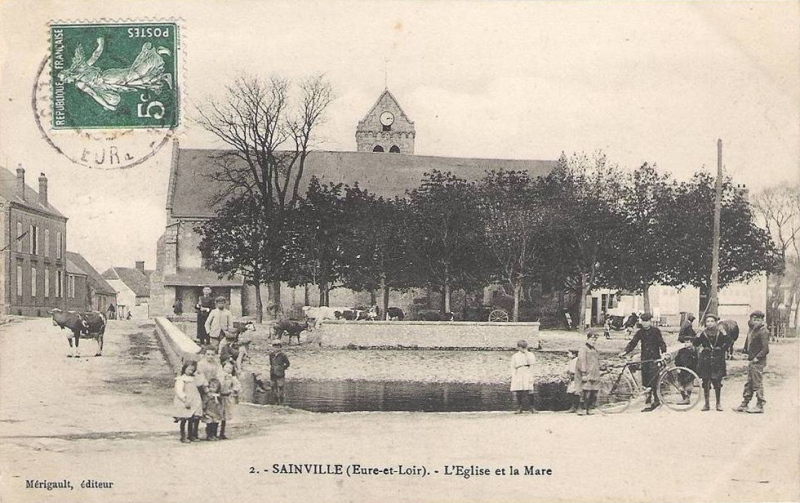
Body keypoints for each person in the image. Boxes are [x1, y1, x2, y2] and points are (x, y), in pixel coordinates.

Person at [618, 312, 667, 412]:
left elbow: (661, 342)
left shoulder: (656, 331)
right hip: (644, 358)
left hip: (654, 358)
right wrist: (625, 351)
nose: (645, 323)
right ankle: (648, 398)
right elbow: (633, 343)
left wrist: (664, 352)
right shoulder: (640, 332)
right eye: (643, 321)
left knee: (654, 379)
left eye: (646, 321)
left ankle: (656, 401)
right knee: (646, 379)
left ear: (650, 321)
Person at [692, 313, 733, 412]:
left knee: (717, 382)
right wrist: (697, 336)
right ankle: (706, 404)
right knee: (705, 382)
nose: (710, 323)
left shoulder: (720, 332)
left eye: (712, 321)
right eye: (708, 321)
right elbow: (696, 344)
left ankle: (718, 403)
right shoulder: (703, 333)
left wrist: (722, 344)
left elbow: (729, 343)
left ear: (716, 322)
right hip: (705, 359)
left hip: (717, 360)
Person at [734, 311, 770, 414]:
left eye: (759, 319)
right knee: (749, 382)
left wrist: (757, 358)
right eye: (755, 319)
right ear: (751, 319)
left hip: (758, 361)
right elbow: (748, 342)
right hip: (751, 359)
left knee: (757, 383)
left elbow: (765, 349)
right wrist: (745, 352)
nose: (757, 321)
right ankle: (744, 403)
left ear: (762, 320)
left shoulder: (763, 331)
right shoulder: (752, 330)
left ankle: (760, 405)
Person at [173, 361, 203, 443]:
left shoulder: (194, 378)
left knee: (193, 418)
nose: (190, 371)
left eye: (192, 370)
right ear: (184, 368)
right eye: (189, 369)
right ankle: (183, 436)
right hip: (186, 400)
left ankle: (192, 435)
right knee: (184, 418)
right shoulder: (181, 379)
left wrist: (200, 373)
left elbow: (201, 383)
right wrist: (184, 399)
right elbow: (179, 391)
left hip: (195, 400)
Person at [675, 313, 698, 405]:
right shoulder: (688, 325)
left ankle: (687, 398)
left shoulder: (693, 351)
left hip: (690, 369)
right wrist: (678, 367)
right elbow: (677, 359)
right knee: (680, 384)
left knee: (689, 384)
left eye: (689, 342)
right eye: (686, 342)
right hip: (682, 369)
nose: (687, 343)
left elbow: (696, 360)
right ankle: (684, 397)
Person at [509, 339, 538, 414]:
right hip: (519, 372)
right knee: (519, 390)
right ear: (518, 347)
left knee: (529, 389)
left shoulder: (530, 355)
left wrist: (527, 354)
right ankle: (520, 407)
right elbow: (512, 366)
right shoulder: (515, 356)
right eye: (522, 348)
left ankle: (532, 407)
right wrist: (514, 375)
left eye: (524, 348)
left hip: (527, 371)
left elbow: (532, 364)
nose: (523, 349)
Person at [577, 332, 601, 415]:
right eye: (592, 339)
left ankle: (589, 409)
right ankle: (580, 408)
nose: (593, 341)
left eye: (595, 340)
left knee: (593, 392)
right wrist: (583, 373)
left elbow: (597, 360)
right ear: (588, 339)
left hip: (595, 373)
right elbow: (582, 361)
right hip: (587, 373)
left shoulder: (594, 349)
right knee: (585, 392)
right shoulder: (583, 348)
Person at [218, 361, 242, 439]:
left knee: (224, 416)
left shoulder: (232, 378)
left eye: (230, 368)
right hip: (218, 397)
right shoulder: (220, 376)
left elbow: (237, 386)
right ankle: (212, 433)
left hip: (226, 397)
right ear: (223, 368)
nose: (228, 369)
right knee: (216, 414)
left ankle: (222, 432)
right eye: (227, 367)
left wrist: (232, 390)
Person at [269, 341, 291, 405]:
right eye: (274, 347)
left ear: (280, 348)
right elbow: (271, 363)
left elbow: (287, 363)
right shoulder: (271, 355)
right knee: (273, 387)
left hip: (280, 373)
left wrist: (282, 368)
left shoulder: (283, 355)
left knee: (281, 386)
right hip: (273, 373)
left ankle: (281, 402)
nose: (276, 349)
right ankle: (275, 401)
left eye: (277, 347)